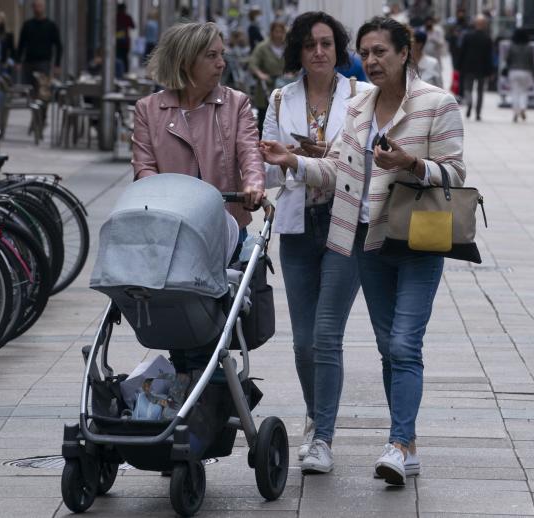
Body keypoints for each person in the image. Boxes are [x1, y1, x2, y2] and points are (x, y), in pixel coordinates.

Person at [260, 15, 465, 486]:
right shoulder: (360, 109)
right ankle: (404, 444)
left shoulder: (437, 102)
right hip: (369, 237)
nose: (371, 61)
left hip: (417, 234)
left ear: (404, 52)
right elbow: (337, 171)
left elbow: (455, 173)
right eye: (367, 53)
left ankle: (398, 442)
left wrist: (412, 163)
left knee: (402, 343)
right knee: (385, 347)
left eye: (381, 52)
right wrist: (293, 161)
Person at [261, 11, 372, 475]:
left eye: (327, 44)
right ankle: (314, 415)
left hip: (346, 224)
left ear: (339, 48)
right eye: (310, 45)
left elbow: (360, 161)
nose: (320, 52)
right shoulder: (280, 98)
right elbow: (266, 166)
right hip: (298, 226)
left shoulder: (362, 97)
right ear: (298, 52)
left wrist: (305, 159)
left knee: (327, 334)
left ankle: (323, 436)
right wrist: (285, 161)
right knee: (303, 342)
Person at [132, 22, 265, 374]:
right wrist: (161, 200)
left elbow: (249, 151)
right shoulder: (149, 109)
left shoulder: (235, 104)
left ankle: (205, 389)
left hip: (224, 231)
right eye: (211, 56)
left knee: (210, 323)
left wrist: (253, 183)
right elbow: (144, 168)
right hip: (171, 236)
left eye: (221, 54)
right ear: (186, 60)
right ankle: (191, 386)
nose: (222, 63)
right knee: (177, 319)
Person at [249, 21, 286, 136]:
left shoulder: (287, 47)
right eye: (276, 32)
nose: (279, 35)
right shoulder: (262, 47)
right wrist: (260, 74)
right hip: (266, 89)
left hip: (284, 87)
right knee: (264, 119)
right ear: (271, 33)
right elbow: (253, 63)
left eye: (281, 32)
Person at [16, 0, 62, 90]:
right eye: (36, 6)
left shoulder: (51, 26)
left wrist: (57, 64)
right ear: (32, 8)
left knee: (43, 89)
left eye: (40, 6)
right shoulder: (27, 25)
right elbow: (21, 44)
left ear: (44, 7)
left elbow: (58, 45)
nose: (38, 9)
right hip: (29, 62)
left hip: (43, 62)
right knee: (28, 88)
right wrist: (18, 60)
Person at [458, 15, 493, 120]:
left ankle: (469, 103)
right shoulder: (487, 38)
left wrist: (459, 66)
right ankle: (478, 113)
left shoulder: (467, 36)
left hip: (468, 67)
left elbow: (462, 52)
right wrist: (490, 71)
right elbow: (489, 56)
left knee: (468, 88)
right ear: (484, 25)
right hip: (482, 68)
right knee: (480, 91)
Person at [506, 28, 534, 123]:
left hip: (514, 71)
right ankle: (523, 108)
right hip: (526, 71)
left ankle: (515, 112)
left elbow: (507, 59)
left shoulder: (512, 46)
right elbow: (532, 62)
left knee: (515, 92)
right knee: (524, 91)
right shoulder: (529, 47)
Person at [115, 3, 135, 73]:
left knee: (118, 56)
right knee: (124, 57)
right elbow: (133, 26)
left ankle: (119, 71)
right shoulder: (127, 17)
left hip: (117, 40)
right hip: (124, 41)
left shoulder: (115, 17)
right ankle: (125, 71)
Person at [0, 12, 15, 79]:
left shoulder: (8, 35)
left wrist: (11, 60)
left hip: (4, 63)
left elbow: (12, 49)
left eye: (1, 19)